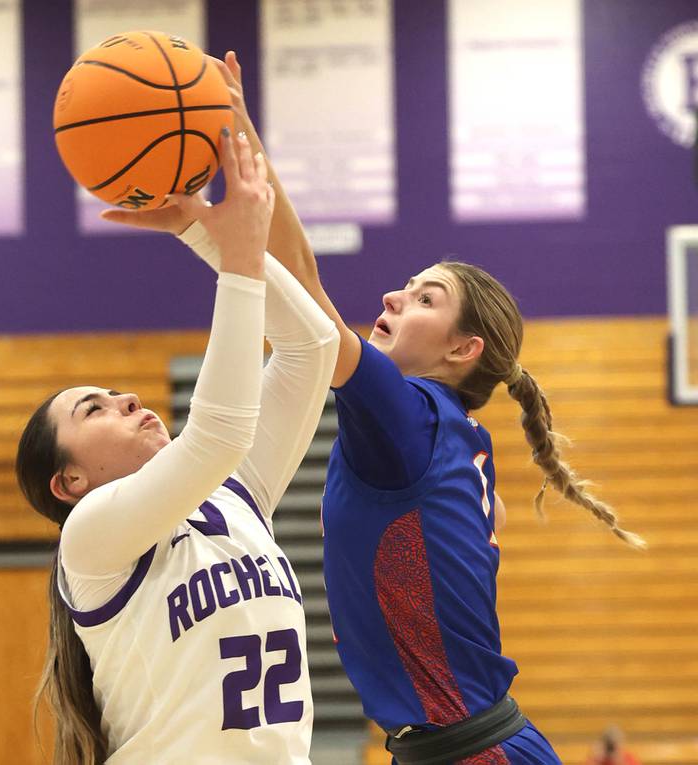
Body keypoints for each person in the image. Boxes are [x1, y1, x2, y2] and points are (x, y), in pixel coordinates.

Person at [120, 51, 644, 765]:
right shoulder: (445, 426)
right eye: (407, 285)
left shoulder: (413, 419)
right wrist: (236, 133)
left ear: (464, 349)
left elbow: (307, 308)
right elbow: (307, 289)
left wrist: (202, 226)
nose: (395, 298)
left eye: (427, 298)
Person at [16, 129, 339, 764]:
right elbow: (217, 435)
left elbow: (313, 348)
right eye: (95, 409)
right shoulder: (89, 539)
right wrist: (239, 255)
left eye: (115, 391)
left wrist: (201, 230)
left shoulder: (236, 493)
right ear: (70, 481)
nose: (127, 400)